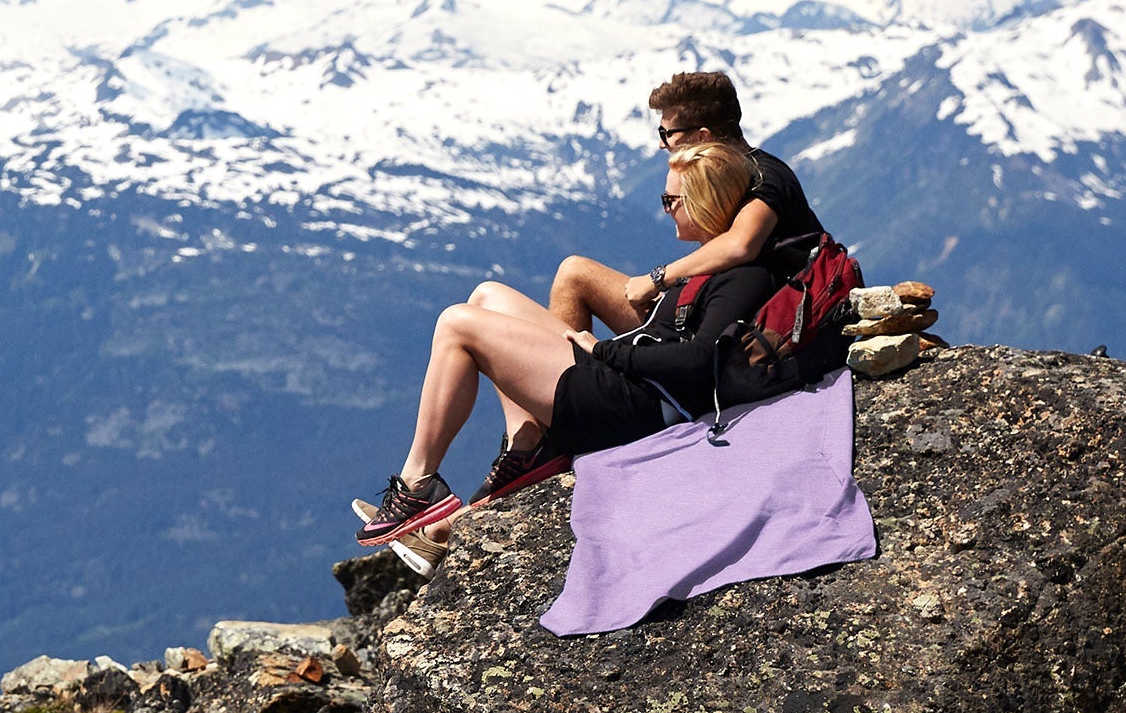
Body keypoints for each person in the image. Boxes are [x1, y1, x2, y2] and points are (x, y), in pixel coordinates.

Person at [352, 141, 777, 573]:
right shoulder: (707, 262)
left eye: (672, 201)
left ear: (703, 203)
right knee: (487, 296)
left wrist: (606, 350)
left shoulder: (742, 276)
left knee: (456, 324)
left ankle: (418, 483)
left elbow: (700, 360)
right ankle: (528, 447)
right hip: (623, 379)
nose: (666, 209)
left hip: (636, 404)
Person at [550, 71, 824, 339]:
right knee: (574, 274)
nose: (662, 144)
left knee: (575, 275)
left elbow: (740, 244)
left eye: (666, 133)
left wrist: (657, 279)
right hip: (706, 312)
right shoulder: (733, 175)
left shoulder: (765, 176)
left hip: (745, 336)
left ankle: (568, 369)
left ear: (702, 137)